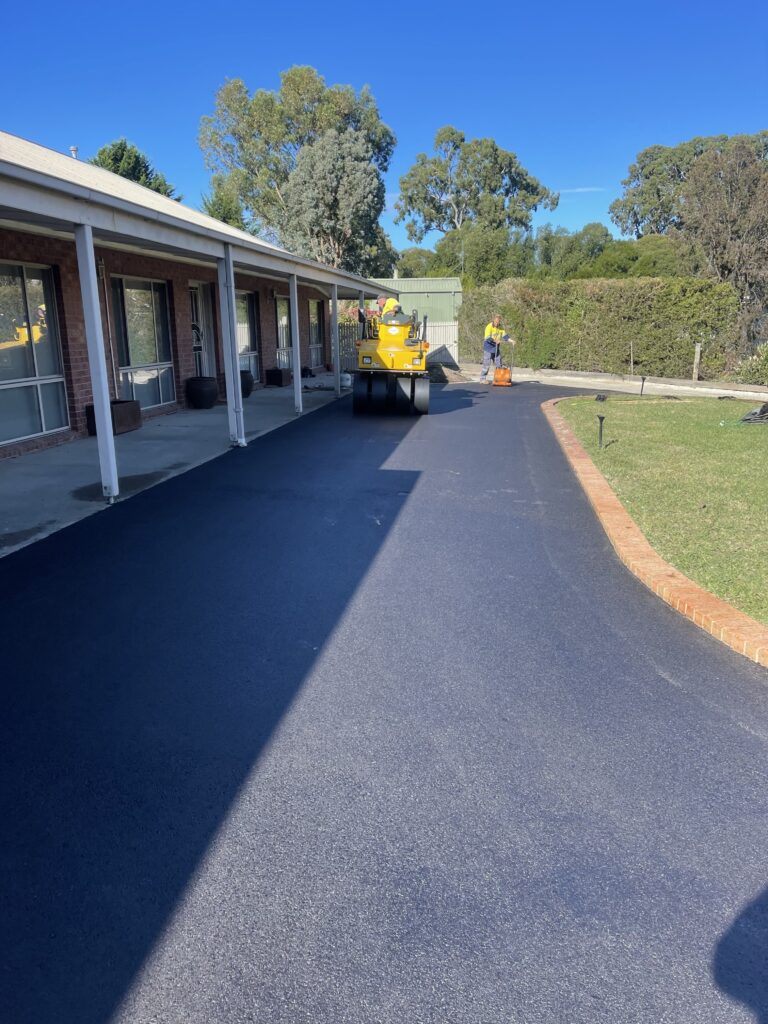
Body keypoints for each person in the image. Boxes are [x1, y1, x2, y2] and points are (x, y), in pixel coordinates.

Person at [480, 314, 515, 381]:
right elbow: (487, 337)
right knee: (486, 365)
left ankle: (498, 378)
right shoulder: (489, 326)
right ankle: (482, 379)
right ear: (493, 320)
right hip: (488, 348)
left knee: (498, 364)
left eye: (498, 322)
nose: (497, 323)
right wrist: (495, 340)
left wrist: (511, 341)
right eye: (496, 322)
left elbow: (505, 336)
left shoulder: (500, 327)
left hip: (496, 348)